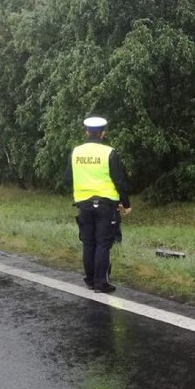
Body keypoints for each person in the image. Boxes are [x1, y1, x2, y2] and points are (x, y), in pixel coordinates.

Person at [64, 116, 132, 293]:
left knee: (88, 243)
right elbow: (119, 180)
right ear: (103, 133)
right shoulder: (109, 152)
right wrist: (126, 203)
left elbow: (66, 178)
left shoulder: (76, 152)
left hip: (84, 205)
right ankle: (101, 283)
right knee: (103, 244)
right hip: (106, 205)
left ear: (86, 132)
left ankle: (90, 280)